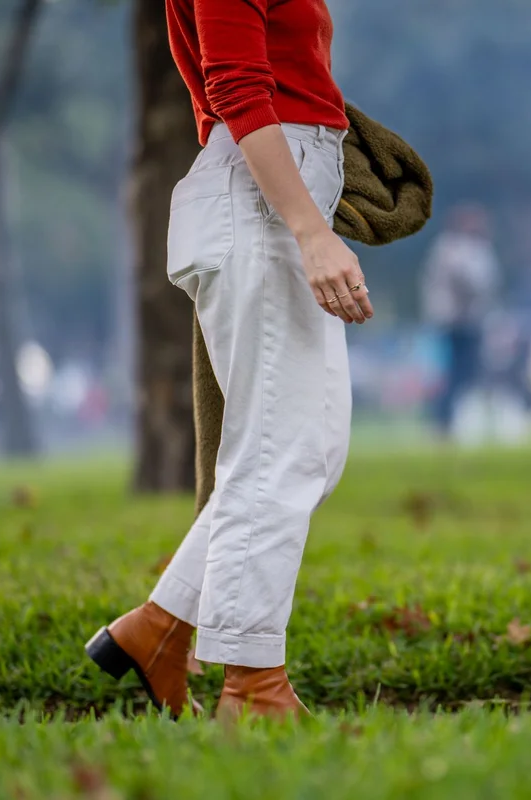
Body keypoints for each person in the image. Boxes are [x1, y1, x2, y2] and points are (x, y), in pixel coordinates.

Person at [85, 0, 369, 722]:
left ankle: (158, 629)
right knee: (278, 454)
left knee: (309, 452)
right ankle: (251, 685)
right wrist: (310, 230)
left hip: (270, 189)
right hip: (262, 198)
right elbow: (236, 86)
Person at [420, 203, 500, 437]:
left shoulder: (481, 249)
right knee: (450, 374)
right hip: (452, 321)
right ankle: (442, 421)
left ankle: (458, 419)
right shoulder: (448, 248)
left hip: (473, 321)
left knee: (468, 374)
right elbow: (459, 280)